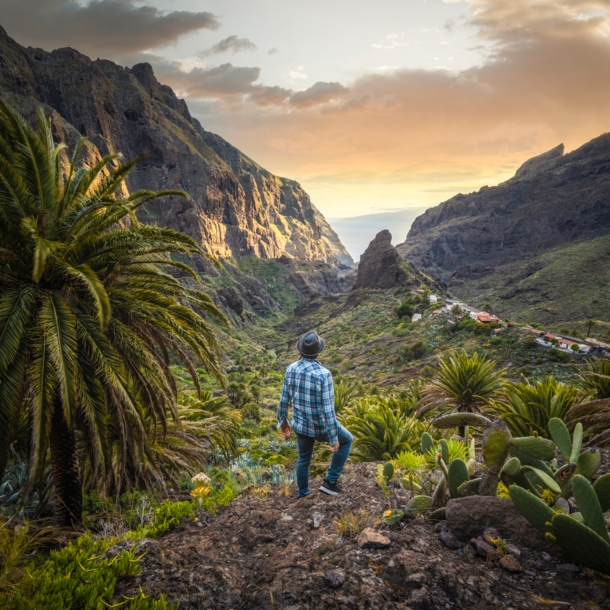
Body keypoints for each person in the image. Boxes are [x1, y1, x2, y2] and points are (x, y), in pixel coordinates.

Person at [277, 331, 353, 497]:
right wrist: (333, 439)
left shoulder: (291, 369)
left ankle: (303, 493)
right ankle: (330, 482)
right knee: (347, 440)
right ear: (318, 352)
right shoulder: (324, 374)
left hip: (301, 427)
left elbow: (284, 400)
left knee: (303, 459)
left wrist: (283, 423)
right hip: (320, 428)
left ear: (300, 350)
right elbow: (328, 410)